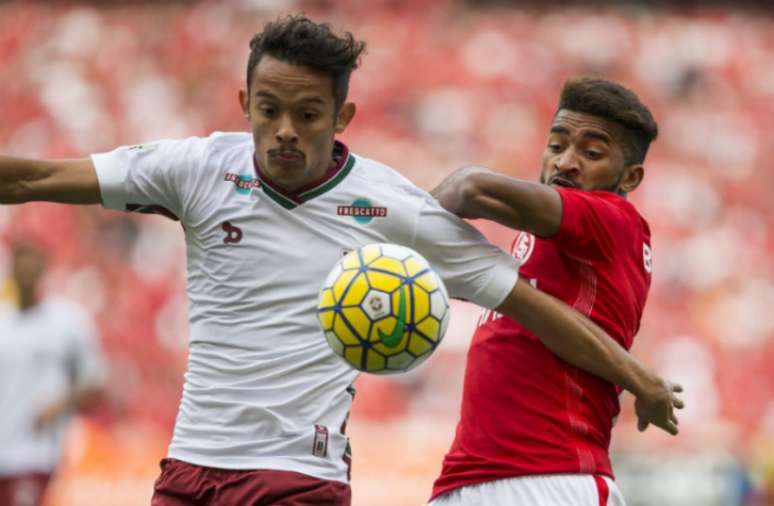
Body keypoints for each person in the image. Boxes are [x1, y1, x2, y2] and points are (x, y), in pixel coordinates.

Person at [0, 17, 680, 506]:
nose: (285, 131)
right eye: (268, 110)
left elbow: (534, 309)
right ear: (245, 105)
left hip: (299, 477)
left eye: (308, 113)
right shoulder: (195, 168)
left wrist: (639, 379)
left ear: (343, 114)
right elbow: (32, 179)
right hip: (188, 469)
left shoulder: (393, 206)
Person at [428, 77, 681, 506]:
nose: (565, 162)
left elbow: (469, 188)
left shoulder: (611, 218)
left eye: (591, 153)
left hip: (550, 477)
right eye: (556, 144)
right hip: (468, 479)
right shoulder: (561, 247)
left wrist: (397, 226)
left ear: (630, 177)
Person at [0, 242, 106, 506]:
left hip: (36, 452)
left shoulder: (68, 322)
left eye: (31, 265)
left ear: (42, 270)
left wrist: (60, 404)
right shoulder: (4, 323)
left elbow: (95, 381)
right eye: (20, 265)